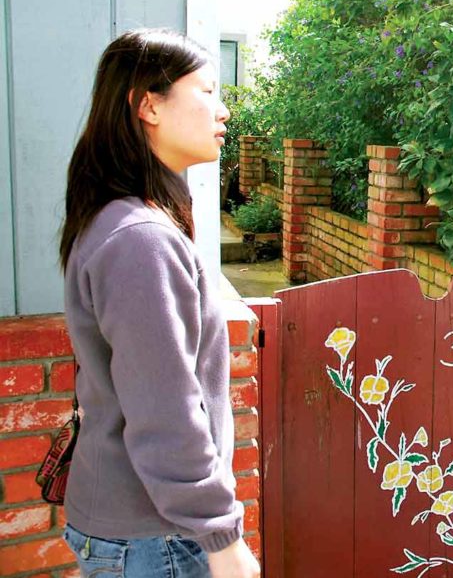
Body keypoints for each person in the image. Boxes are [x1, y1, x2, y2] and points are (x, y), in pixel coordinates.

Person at [59, 29, 261, 578]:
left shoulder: (129, 220)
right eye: (207, 92)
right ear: (148, 105)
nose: (223, 111)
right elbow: (166, 408)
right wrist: (221, 537)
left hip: (142, 529)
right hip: (156, 538)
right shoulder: (139, 238)